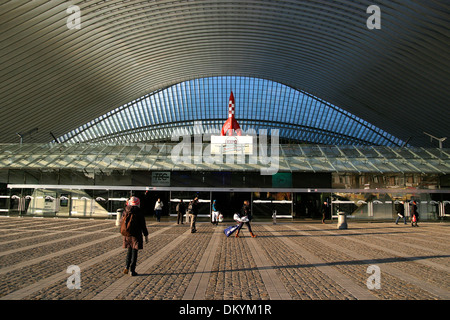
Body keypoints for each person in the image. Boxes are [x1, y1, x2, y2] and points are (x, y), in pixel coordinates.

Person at [122, 196, 148, 277]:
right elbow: (143, 225)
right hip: (136, 234)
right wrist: (146, 235)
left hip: (127, 234)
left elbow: (121, 221)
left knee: (129, 250)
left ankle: (126, 266)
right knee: (134, 251)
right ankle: (132, 270)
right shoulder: (139, 212)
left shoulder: (126, 211)